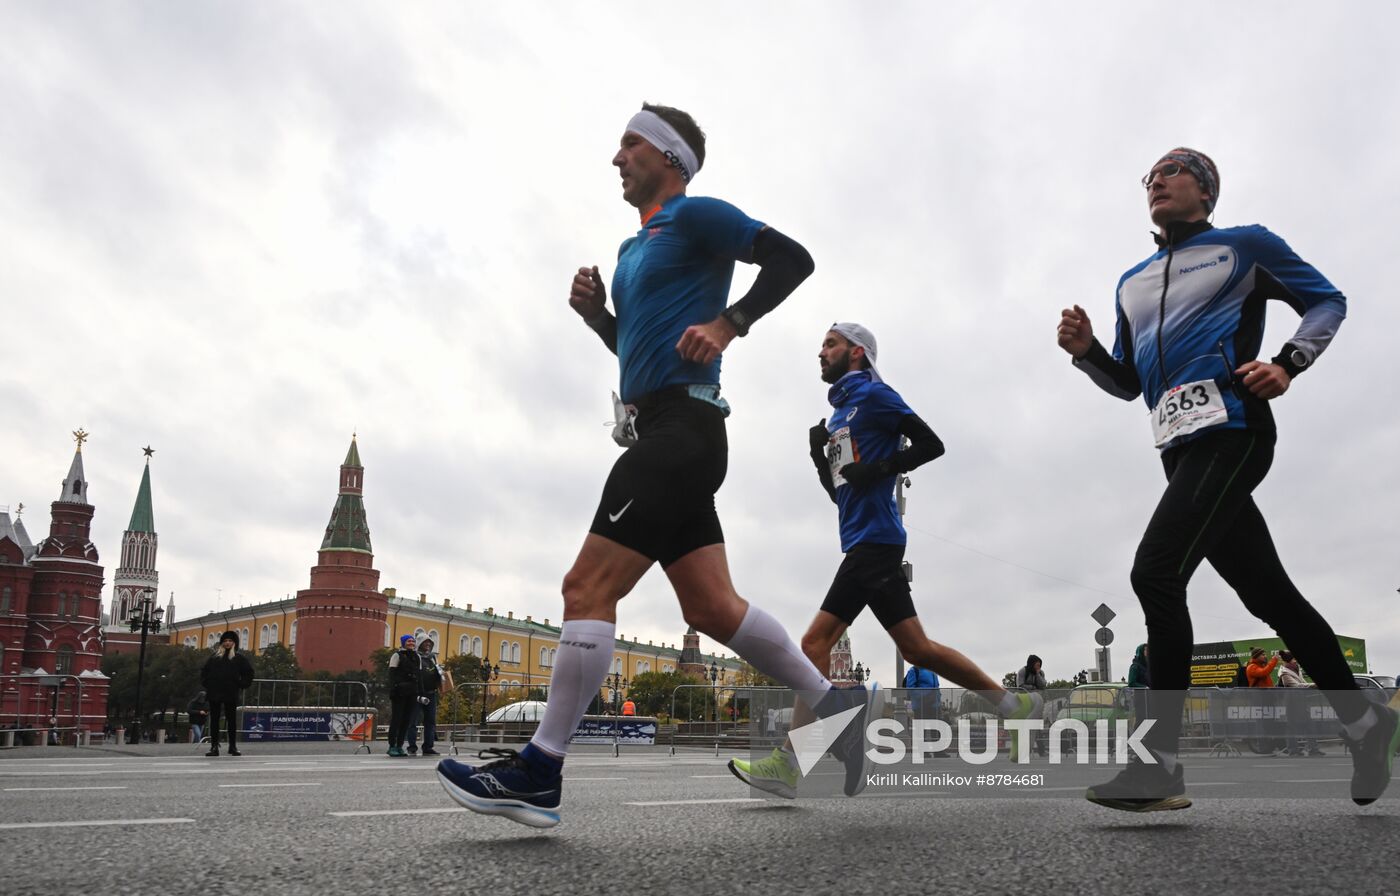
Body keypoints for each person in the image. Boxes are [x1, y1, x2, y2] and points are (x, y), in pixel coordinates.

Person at [436, 101, 861, 830]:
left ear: (669, 158)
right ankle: (832, 707)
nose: (616, 158)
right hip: (661, 429)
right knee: (711, 609)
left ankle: (540, 768)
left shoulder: (696, 217)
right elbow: (638, 357)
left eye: (629, 144)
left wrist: (732, 322)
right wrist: (599, 318)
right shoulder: (634, 253)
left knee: (586, 584)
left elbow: (795, 259)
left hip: (684, 431)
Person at [1057, 147, 1398, 812]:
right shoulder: (1131, 281)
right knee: (1271, 597)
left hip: (1236, 433)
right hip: (1179, 452)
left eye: (1174, 169)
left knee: (1155, 572)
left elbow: (1327, 300)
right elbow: (1128, 384)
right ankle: (1365, 721)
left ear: (1206, 190)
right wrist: (1089, 352)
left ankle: (1158, 767)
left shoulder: (1244, 247)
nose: (1158, 180)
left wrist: (1289, 362)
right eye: (1150, 175)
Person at [728, 324, 1043, 798]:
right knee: (918, 649)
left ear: (857, 352)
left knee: (814, 642)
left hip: (877, 540)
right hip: (861, 538)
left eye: (829, 344)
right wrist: (820, 459)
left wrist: (879, 468)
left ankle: (790, 764)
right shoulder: (839, 417)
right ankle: (1014, 706)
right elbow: (841, 495)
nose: (820, 351)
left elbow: (932, 445)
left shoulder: (877, 397)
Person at [199, 631, 253, 757]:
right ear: (222, 643)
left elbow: (249, 673)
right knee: (215, 720)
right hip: (215, 692)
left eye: (230, 641)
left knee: (231, 720)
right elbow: (204, 672)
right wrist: (208, 684)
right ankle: (214, 747)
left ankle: (232, 746)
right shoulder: (214, 657)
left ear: (234, 643)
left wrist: (241, 684)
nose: (227, 643)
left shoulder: (239, 658)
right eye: (225, 641)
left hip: (230, 692)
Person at [1278, 650, 1324, 757]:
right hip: (1291, 702)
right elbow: (1296, 685)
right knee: (1292, 727)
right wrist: (1314, 685)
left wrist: (1312, 684)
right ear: (1289, 661)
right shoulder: (1284, 674)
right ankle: (1293, 751)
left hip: (1301, 700)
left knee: (1310, 725)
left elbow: (1302, 682)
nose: (1296, 661)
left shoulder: (1296, 669)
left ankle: (1313, 749)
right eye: (1294, 659)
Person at [387, 634, 425, 757]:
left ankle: (399, 745)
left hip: (412, 692)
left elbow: (419, 676)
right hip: (399, 692)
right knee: (396, 719)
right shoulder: (397, 655)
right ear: (403, 642)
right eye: (409, 641)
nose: (411, 643)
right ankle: (392, 745)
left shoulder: (417, 657)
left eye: (413, 641)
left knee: (406, 721)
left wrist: (421, 691)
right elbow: (392, 674)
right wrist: (393, 690)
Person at [406, 637, 443, 757]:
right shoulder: (415, 656)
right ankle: (412, 746)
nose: (427, 644)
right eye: (425, 642)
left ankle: (428, 746)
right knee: (413, 720)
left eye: (429, 642)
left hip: (431, 692)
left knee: (430, 721)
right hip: (417, 693)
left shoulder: (432, 657)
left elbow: (437, 671)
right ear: (420, 643)